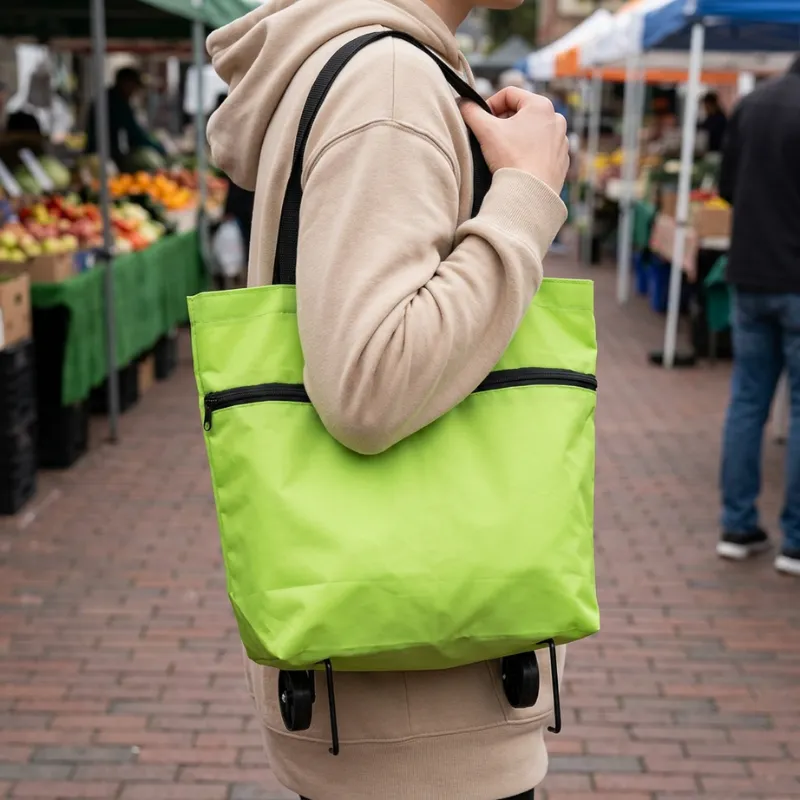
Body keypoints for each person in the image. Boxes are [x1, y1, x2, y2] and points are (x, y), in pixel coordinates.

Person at [207, 0, 568, 797]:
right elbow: (369, 384)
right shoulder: (392, 84)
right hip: (421, 727)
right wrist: (526, 195)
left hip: (394, 709)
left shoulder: (388, 70)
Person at [716, 56, 800, 577]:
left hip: (750, 271)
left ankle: (737, 525)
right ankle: (796, 541)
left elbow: (726, 186)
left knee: (747, 403)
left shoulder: (753, 104)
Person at [86, 67, 166, 167]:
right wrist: (158, 147)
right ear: (125, 83)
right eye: (134, 86)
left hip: (103, 151)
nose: (134, 91)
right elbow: (133, 133)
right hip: (101, 154)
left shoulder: (110, 97)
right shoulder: (116, 102)